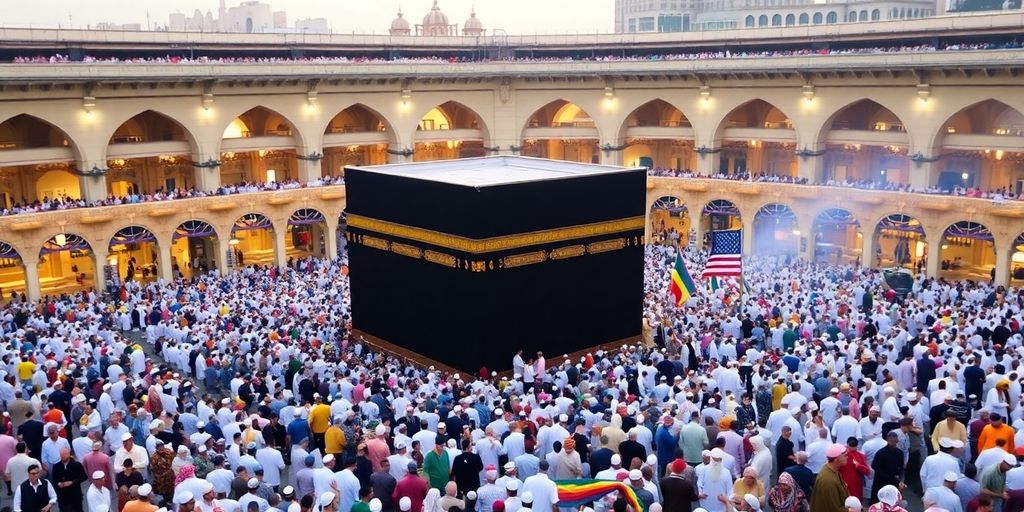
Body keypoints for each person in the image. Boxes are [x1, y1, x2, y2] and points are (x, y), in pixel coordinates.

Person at [809, 444, 849, 512]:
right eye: (845, 455)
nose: (847, 457)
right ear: (836, 460)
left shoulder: (833, 469)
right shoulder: (828, 481)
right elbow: (834, 508)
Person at [50, 448, 87, 512]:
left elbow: (84, 477)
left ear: (69, 454)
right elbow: (54, 479)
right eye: (61, 455)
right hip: (63, 497)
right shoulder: (56, 466)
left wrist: (72, 482)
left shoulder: (77, 465)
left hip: (75, 496)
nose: (63, 456)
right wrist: (58, 483)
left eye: (65, 454)